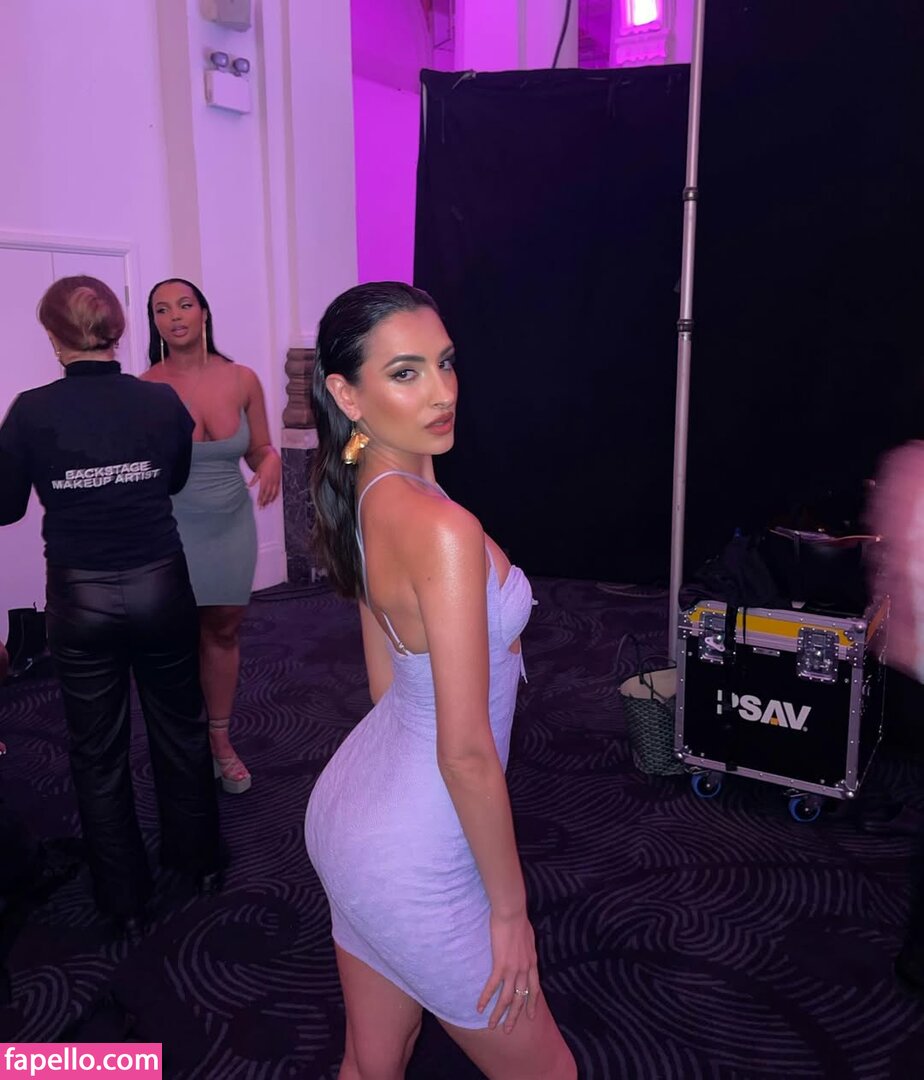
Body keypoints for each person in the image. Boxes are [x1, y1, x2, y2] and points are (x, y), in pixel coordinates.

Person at [304, 283, 576, 1079]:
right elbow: (463, 753)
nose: (443, 392)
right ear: (347, 394)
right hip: (411, 850)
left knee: (372, 1062)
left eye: (446, 363)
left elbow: (382, 674)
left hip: (355, 809)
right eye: (406, 373)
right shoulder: (441, 527)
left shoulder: (366, 486)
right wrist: (510, 912)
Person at [0, 276, 222, 939]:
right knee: (180, 727)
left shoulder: (30, 411)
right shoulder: (160, 401)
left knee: (97, 751)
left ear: (53, 337)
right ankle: (201, 865)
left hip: (81, 597)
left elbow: (5, 507)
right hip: (161, 584)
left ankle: (124, 900)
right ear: (119, 329)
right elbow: (174, 479)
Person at [142, 279, 281, 794]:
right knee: (175, 638)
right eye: (161, 309)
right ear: (154, 323)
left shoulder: (242, 378)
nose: (174, 316)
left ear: (204, 312)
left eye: (184, 305)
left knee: (222, 630)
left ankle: (220, 739)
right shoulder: (145, 387)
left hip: (229, 527)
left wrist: (271, 460)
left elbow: (260, 446)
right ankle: (183, 741)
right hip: (170, 529)